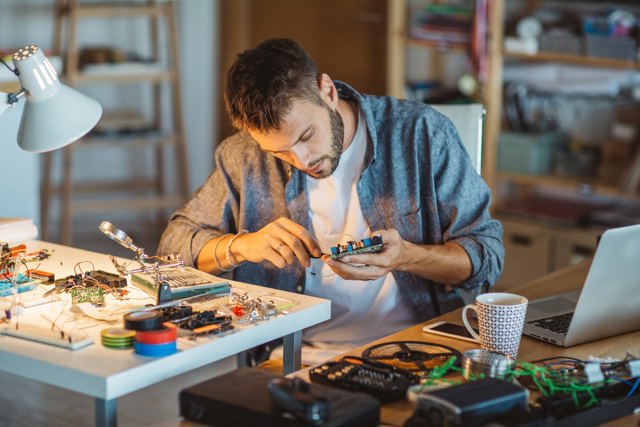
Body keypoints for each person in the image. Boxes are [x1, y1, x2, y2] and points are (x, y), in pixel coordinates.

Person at [158, 38, 504, 365]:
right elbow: (170, 252)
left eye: (306, 135)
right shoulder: (242, 156)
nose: (301, 159)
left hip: (417, 348)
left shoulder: (422, 133)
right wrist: (241, 246)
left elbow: (486, 257)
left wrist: (407, 257)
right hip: (292, 355)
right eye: (279, 151)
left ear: (327, 91)